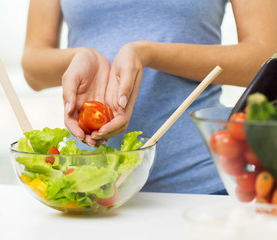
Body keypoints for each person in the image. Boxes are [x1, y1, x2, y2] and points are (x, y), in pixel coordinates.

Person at [21, 0, 277, 194]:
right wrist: (77, 57)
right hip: (89, 186)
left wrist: (149, 54)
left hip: (202, 187)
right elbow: (33, 67)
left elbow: (265, 56)